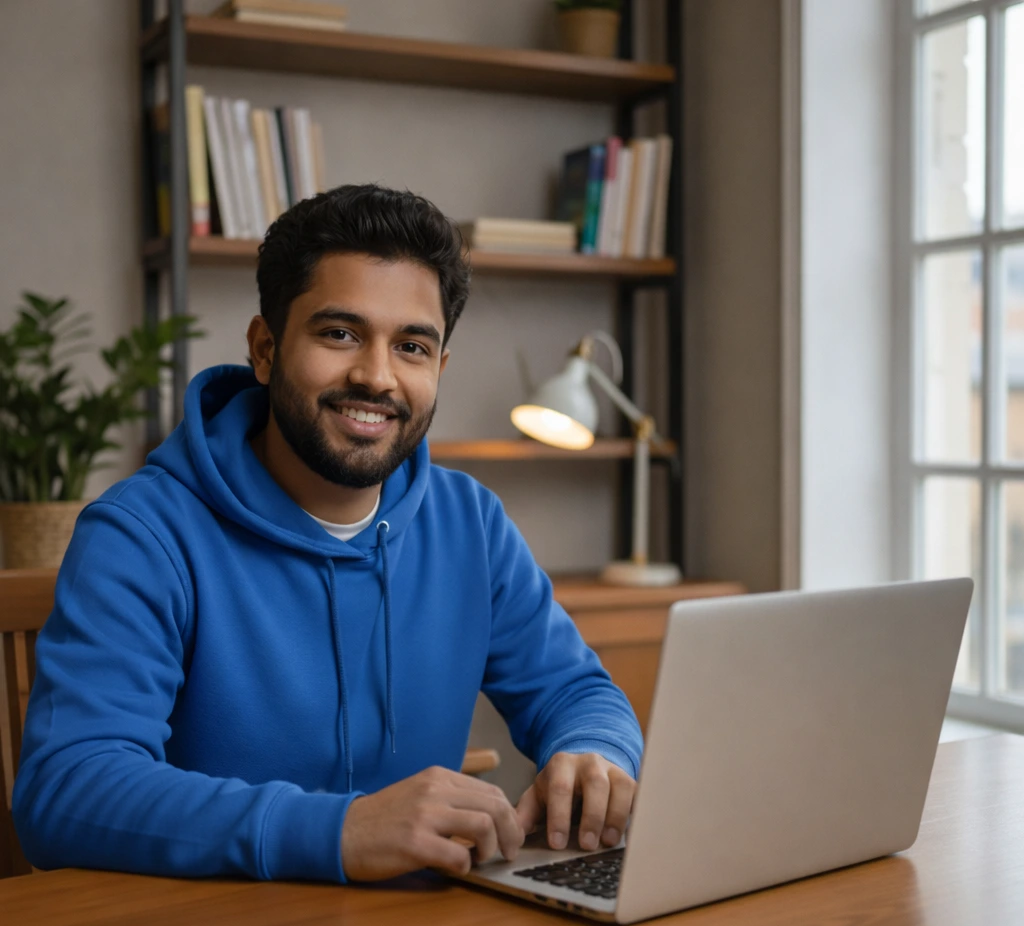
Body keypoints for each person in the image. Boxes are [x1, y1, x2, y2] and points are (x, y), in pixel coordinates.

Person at [13, 183, 643, 884]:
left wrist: (596, 751)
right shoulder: (141, 534)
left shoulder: (471, 523)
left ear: (438, 368)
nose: (376, 377)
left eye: (411, 346)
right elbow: (66, 790)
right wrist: (339, 830)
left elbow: (577, 693)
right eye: (339, 334)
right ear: (265, 348)